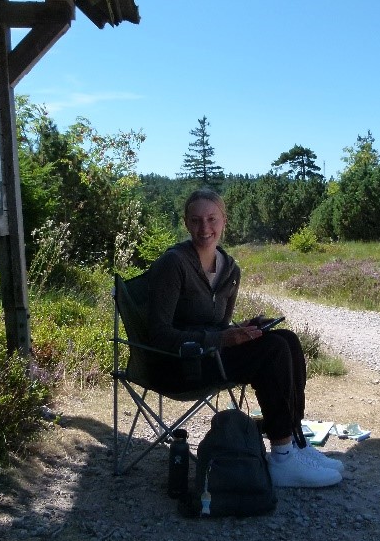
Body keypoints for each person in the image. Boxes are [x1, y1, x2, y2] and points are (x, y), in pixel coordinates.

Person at [146, 189, 344, 488]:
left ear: (224, 220)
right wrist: (223, 340)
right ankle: (281, 456)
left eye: (212, 219)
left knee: (287, 339)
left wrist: (244, 329)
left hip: (210, 357)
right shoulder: (174, 264)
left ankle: (296, 443)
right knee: (274, 350)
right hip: (181, 364)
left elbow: (219, 324)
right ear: (186, 223)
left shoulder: (230, 269)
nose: (205, 228)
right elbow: (157, 335)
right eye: (196, 220)